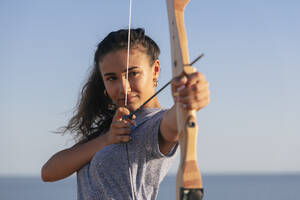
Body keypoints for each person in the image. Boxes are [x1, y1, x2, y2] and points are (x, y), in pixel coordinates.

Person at [41, 28, 210, 200]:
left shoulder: (153, 124)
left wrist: (190, 98)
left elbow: (173, 121)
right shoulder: (114, 127)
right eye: (112, 78)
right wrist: (106, 139)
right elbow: (48, 172)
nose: (124, 88)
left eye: (133, 73)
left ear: (155, 70)